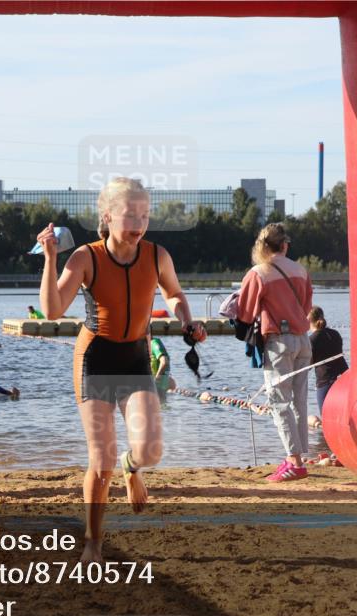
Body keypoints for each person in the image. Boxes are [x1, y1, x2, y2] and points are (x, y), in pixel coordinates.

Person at [36, 176, 205, 563]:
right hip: (95, 359)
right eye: (131, 214)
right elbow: (51, 310)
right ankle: (93, 541)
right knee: (101, 462)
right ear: (107, 215)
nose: (139, 222)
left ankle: (134, 471)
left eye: (145, 214)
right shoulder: (85, 257)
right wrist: (50, 259)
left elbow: (174, 293)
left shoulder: (157, 255)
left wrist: (186, 319)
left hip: (134, 358)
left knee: (149, 450)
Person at [237, 223, 314, 483]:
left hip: (279, 342)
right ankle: (298, 456)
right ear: (285, 245)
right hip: (304, 340)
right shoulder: (301, 270)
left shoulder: (258, 273)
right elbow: (306, 307)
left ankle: (294, 461)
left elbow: (245, 314)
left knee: (279, 402)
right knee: (299, 400)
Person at [307, 306, 349, 418]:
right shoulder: (335, 333)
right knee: (343, 416)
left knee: (326, 418)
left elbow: (309, 364)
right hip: (344, 377)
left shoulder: (311, 339)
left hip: (325, 381)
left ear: (308, 320)